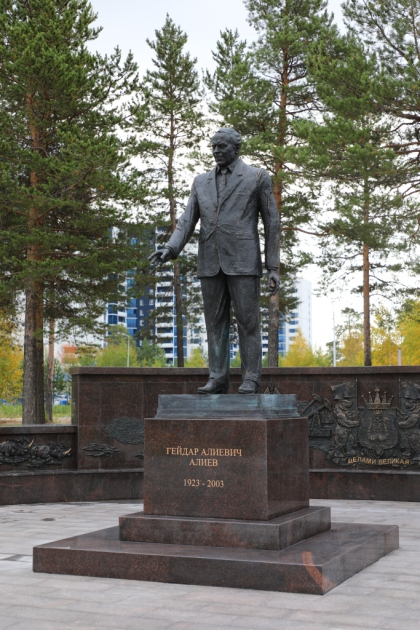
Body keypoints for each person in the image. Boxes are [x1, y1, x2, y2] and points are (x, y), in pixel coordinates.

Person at [150, 128, 279, 394]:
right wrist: (170, 248)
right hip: (210, 260)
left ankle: (251, 377)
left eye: (222, 146)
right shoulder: (201, 182)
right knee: (215, 323)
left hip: (243, 260)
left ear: (236, 148)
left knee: (248, 322)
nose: (216, 151)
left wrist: (273, 267)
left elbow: (272, 223)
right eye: (213, 147)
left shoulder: (256, 176)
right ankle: (218, 377)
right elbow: (186, 220)